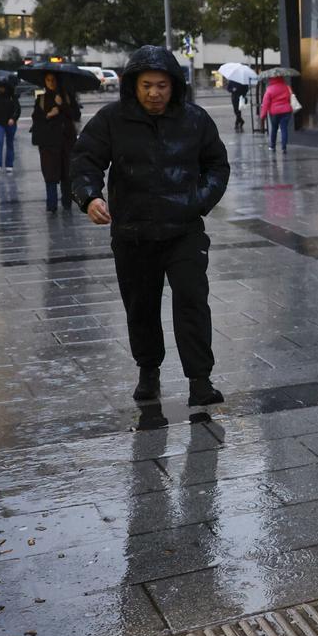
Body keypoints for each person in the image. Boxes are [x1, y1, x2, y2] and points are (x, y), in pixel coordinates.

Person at [70, 45, 231, 407]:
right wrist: (89, 196)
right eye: (146, 85)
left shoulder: (195, 120)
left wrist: (198, 201)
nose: (154, 93)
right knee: (140, 307)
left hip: (184, 232)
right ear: (133, 86)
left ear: (173, 86)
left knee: (192, 302)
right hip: (133, 234)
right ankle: (148, 371)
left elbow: (217, 166)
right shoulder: (112, 120)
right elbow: (84, 160)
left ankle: (200, 380)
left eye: (161, 85)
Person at [30, 72, 81, 213]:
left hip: (66, 143)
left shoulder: (67, 97)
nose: (51, 83)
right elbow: (36, 119)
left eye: (53, 80)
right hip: (48, 144)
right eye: (48, 80)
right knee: (50, 176)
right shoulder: (41, 99)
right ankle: (51, 205)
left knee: (67, 174)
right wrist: (49, 114)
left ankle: (67, 203)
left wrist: (62, 105)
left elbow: (76, 115)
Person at [259, 76, 292, 152]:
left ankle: (272, 146)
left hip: (274, 112)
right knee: (284, 129)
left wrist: (262, 115)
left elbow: (265, 103)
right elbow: (289, 97)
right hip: (286, 111)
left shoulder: (269, 89)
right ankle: (284, 147)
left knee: (274, 129)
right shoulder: (286, 87)